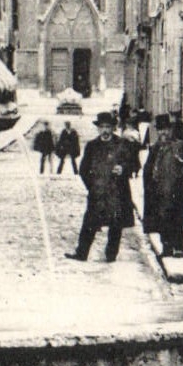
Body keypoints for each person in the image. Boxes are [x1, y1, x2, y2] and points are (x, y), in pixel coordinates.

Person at [65, 111, 135, 262]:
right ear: (98, 128)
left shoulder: (122, 145)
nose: (104, 130)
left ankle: (111, 255)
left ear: (113, 128)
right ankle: (81, 253)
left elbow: (133, 164)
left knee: (115, 225)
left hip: (116, 192)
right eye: (102, 127)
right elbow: (83, 169)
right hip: (98, 192)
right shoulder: (92, 146)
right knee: (89, 223)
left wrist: (123, 169)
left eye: (108, 127)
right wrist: (92, 185)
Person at [143, 118, 183, 257]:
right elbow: (148, 167)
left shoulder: (181, 146)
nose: (164, 132)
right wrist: (149, 186)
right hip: (159, 190)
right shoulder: (156, 148)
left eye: (166, 129)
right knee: (162, 220)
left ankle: (179, 248)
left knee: (176, 219)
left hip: (175, 189)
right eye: (161, 130)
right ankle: (166, 247)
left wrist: (182, 179)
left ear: (171, 130)